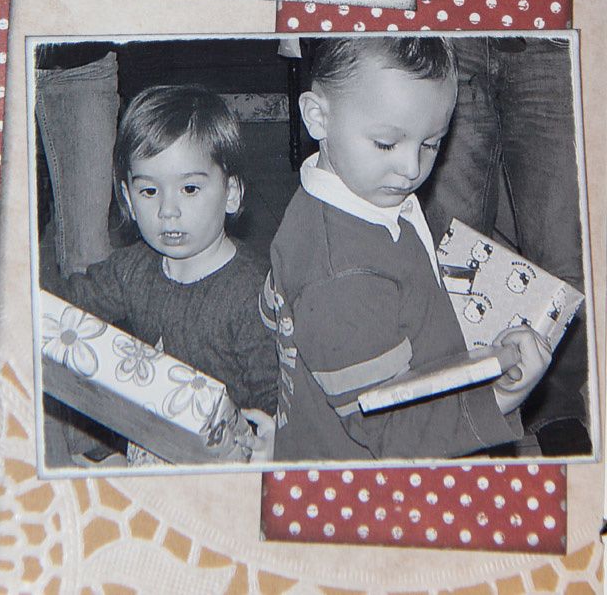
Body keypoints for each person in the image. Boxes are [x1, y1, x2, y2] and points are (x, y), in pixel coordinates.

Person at [261, 36, 552, 462]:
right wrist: (502, 397)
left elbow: (275, 312)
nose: (412, 169)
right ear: (317, 117)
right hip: (370, 476)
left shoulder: (358, 198)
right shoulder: (342, 276)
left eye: (431, 143)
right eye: (386, 144)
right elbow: (392, 431)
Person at [58, 83, 278, 461]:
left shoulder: (252, 292)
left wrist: (275, 441)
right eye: (149, 192)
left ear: (231, 194)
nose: (167, 211)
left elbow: (277, 392)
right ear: (128, 200)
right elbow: (70, 300)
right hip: (153, 439)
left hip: (227, 459)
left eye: (189, 189)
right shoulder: (132, 268)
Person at [420, 36, 590, 455]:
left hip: (550, 41)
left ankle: (558, 405)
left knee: (564, 248)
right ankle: (472, 408)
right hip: (453, 32)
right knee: (452, 246)